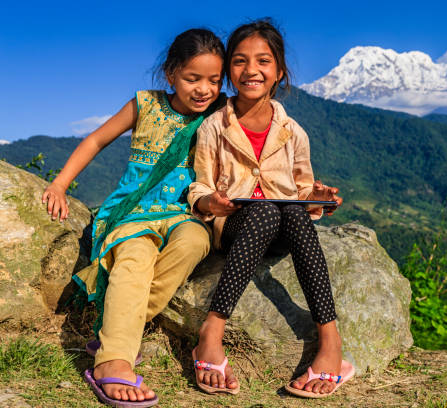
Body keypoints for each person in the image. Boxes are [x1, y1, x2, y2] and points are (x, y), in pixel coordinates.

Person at [42, 28, 225, 407]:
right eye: (193, 78)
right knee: (135, 258)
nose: (204, 89)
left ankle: (117, 331)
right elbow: (95, 140)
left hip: (184, 213)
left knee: (194, 242)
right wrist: (59, 185)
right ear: (170, 73)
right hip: (134, 213)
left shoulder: (222, 113)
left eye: (213, 80)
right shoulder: (145, 104)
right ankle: (114, 361)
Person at [188, 19, 355, 398]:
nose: (251, 70)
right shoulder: (214, 127)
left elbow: (301, 189)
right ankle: (212, 330)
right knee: (264, 211)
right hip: (234, 229)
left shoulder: (292, 131)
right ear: (228, 70)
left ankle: (330, 341)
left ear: (279, 71)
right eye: (240, 61)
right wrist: (209, 201)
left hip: (282, 230)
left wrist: (320, 198)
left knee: (293, 210)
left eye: (263, 61)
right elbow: (199, 183)